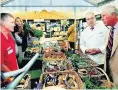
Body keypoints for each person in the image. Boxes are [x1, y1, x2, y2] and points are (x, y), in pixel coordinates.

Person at [101, 6, 118, 85]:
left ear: (113, 15)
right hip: (108, 72)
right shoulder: (109, 31)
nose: (102, 18)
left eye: (104, 16)